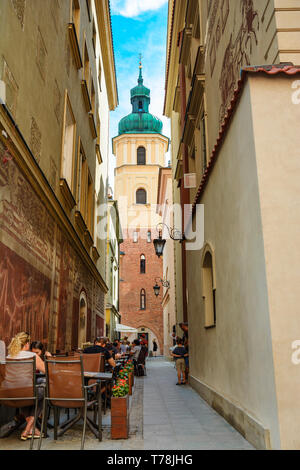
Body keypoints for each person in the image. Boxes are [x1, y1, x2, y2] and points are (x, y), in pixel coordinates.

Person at [7, 332, 45, 440]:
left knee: (23, 391)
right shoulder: (32, 356)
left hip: (10, 394)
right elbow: (47, 371)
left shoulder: (9, 356)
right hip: (27, 392)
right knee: (45, 388)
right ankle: (28, 429)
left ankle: (32, 429)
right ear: (27, 344)